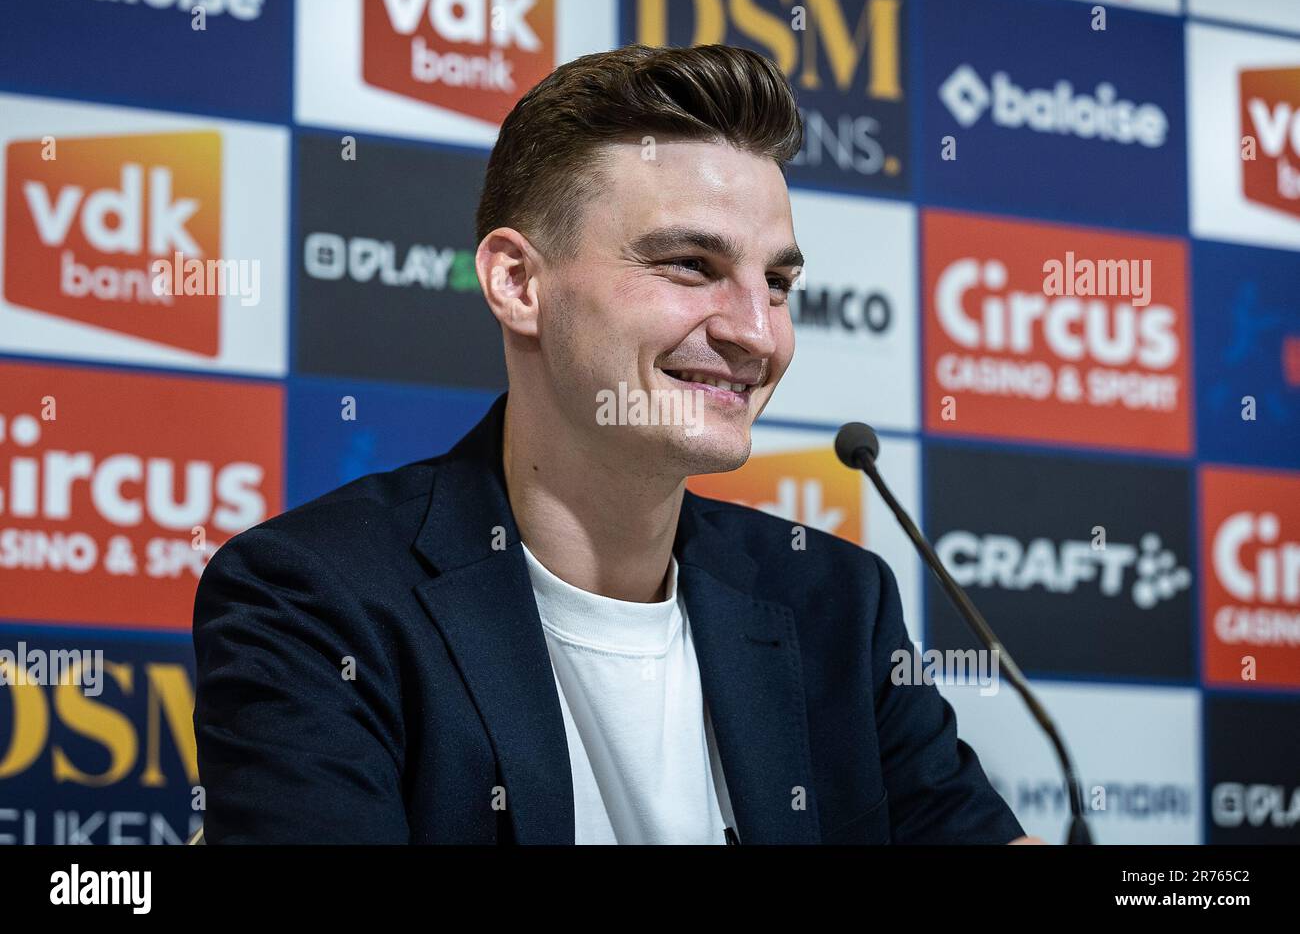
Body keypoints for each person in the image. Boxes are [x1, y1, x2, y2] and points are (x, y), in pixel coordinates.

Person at [193, 43, 1036, 844]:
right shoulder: (315, 598)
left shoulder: (838, 604)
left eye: (777, 283)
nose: (757, 334)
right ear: (518, 283)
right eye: (690, 265)